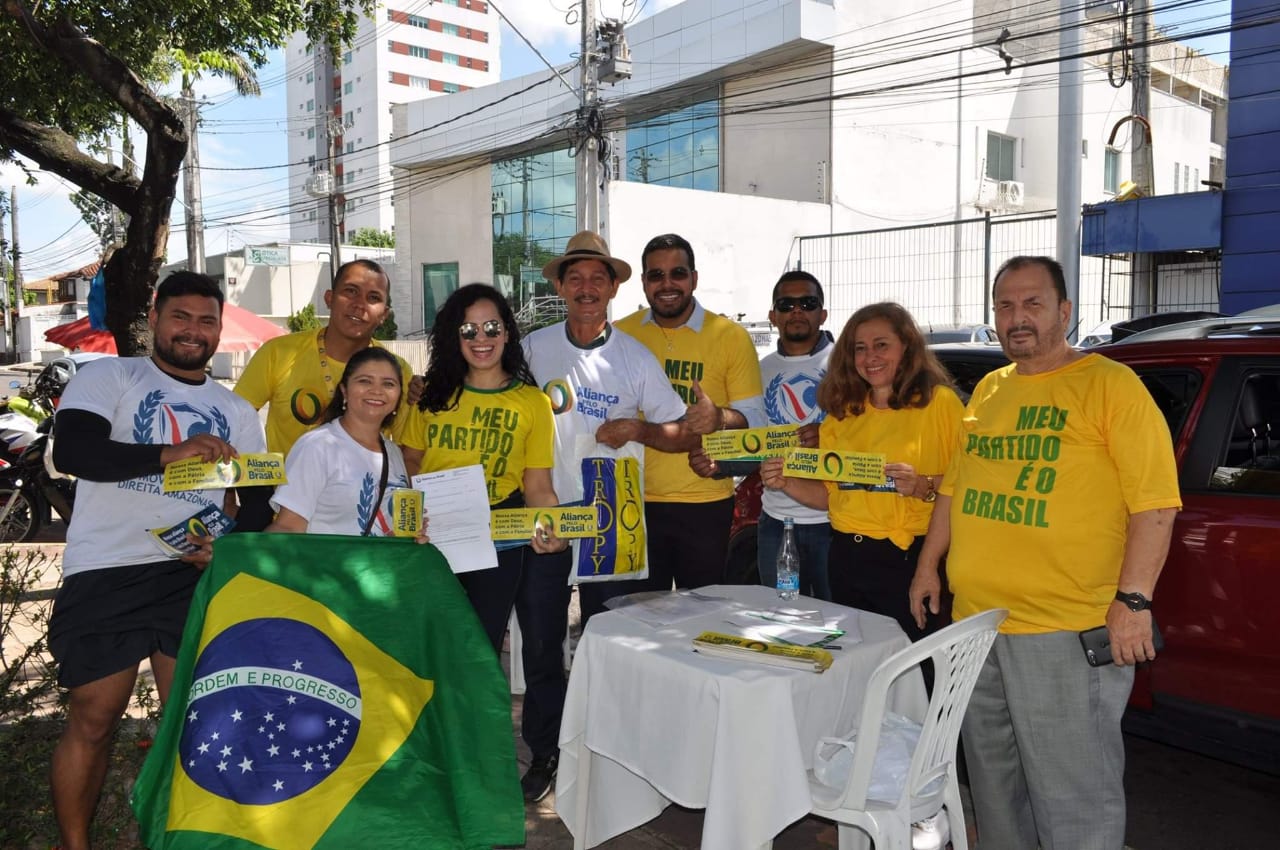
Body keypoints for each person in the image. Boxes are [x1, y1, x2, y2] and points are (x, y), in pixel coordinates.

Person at [909, 256, 1181, 850]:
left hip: (1064, 629)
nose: (1017, 318)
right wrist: (930, 564)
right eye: (1005, 305)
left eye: (1032, 303)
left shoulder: (1111, 386)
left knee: (1073, 798)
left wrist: (1133, 601)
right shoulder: (989, 388)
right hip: (978, 627)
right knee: (996, 785)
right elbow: (956, 487)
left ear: (1065, 311)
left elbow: (1155, 506)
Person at [47, 271, 268, 850]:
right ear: (156, 319)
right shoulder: (111, 376)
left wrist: (228, 546)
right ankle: (75, 845)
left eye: (206, 320)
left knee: (191, 726)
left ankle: (180, 839)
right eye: (181, 317)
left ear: (219, 329)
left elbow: (262, 504)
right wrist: (172, 452)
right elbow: (75, 452)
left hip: (190, 576)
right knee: (94, 721)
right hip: (107, 568)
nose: (193, 330)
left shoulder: (237, 410)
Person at [519, 230, 717, 802]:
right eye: (575, 278)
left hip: (612, 520)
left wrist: (641, 430)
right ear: (559, 286)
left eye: (597, 279)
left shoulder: (634, 356)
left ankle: (608, 752)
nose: (586, 289)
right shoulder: (531, 350)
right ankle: (547, 750)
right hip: (547, 517)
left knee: (611, 640)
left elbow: (680, 435)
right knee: (541, 641)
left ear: (612, 287)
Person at [762, 302, 963, 641]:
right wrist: (788, 483)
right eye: (860, 348)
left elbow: (969, 484)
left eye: (881, 345)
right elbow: (830, 496)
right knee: (860, 669)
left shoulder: (939, 404)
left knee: (917, 673)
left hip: (913, 558)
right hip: (846, 558)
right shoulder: (842, 414)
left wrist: (922, 485)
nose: (870, 357)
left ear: (907, 347)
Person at [400, 284, 565, 656]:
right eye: (468, 330)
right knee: (430, 647)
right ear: (453, 336)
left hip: (499, 537)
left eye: (491, 327)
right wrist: (417, 512)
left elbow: (537, 484)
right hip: (433, 533)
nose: (481, 338)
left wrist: (552, 529)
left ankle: (477, 716)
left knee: (479, 648)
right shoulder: (430, 396)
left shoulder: (533, 403)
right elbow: (410, 459)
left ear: (507, 332)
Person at [614, 233, 766, 594]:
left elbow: (756, 422)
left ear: (694, 279)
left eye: (677, 273)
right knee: (639, 618)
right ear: (644, 282)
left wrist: (720, 419)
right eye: (656, 275)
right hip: (634, 502)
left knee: (703, 621)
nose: (667, 284)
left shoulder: (729, 337)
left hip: (705, 504)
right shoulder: (621, 334)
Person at [690, 270, 833, 598]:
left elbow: (869, 433)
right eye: (786, 304)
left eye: (807, 303)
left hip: (835, 520)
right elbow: (753, 441)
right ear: (773, 316)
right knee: (782, 619)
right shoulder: (758, 369)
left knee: (839, 621)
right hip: (776, 521)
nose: (796, 311)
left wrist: (832, 436)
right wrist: (719, 465)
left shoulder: (848, 365)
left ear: (822, 313)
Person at [234, 258, 416, 458]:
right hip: (287, 488)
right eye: (350, 291)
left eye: (373, 298)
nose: (359, 305)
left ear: (384, 314)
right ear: (330, 298)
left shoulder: (397, 371)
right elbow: (235, 423)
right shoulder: (279, 353)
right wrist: (251, 485)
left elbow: (406, 452)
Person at [266, 347, 426, 540]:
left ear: (399, 395)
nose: (376, 391)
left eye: (388, 384)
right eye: (364, 381)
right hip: (326, 568)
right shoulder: (317, 446)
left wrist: (413, 535)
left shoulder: (394, 453)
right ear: (344, 390)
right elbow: (288, 527)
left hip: (380, 568)